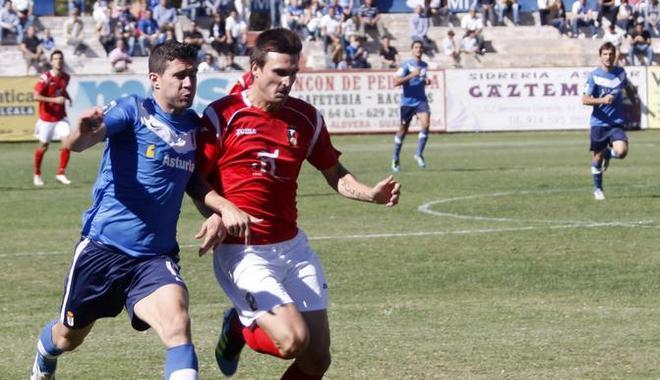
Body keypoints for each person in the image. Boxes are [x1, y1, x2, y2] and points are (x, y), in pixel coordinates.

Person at [186, 28, 400, 379]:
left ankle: (244, 324)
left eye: (293, 73)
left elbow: (335, 174)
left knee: (317, 359)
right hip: (244, 251)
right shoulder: (223, 115)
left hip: (293, 248)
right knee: (292, 341)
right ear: (255, 69)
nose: (287, 82)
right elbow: (193, 178)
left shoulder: (306, 119)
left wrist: (369, 194)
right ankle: (239, 328)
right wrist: (220, 210)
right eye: (279, 73)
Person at [29, 41, 202, 380]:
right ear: (155, 78)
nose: (188, 83)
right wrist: (83, 130)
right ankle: (44, 357)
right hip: (103, 251)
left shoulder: (196, 128)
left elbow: (200, 183)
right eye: (180, 75)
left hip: (154, 258)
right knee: (67, 338)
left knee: (178, 325)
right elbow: (79, 143)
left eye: (193, 75)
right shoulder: (132, 109)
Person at [582, 42, 631, 201]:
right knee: (597, 157)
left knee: (622, 152)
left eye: (611, 54)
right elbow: (584, 99)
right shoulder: (594, 76)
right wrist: (602, 100)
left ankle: (609, 154)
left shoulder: (621, 73)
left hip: (616, 122)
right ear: (600, 56)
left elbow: (627, 86)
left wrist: (630, 97)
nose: (608, 57)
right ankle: (598, 189)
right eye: (605, 54)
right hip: (599, 123)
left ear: (615, 55)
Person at [32, 50, 72, 187]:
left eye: (60, 58)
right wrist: (54, 100)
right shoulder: (45, 77)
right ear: (51, 61)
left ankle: (61, 173)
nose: (58, 61)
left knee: (67, 142)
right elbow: (36, 96)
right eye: (55, 59)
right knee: (43, 147)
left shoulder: (66, 77)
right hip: (46, 118)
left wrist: (68, 97)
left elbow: (62, 90)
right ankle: (37, 174)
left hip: (60, 117)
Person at [392, 40, 431, 172]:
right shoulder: (405, 65)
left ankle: (419, 154)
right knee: (403, 131)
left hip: (421, 100)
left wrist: (425, 81)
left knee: (425, 124)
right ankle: (395, 158)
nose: (419, 49)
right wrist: (411, 75)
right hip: (407, 103)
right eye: (416, 47)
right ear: (412, 50)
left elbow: (420, 80)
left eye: (421, 47)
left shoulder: (424, 65)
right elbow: (396, 82)